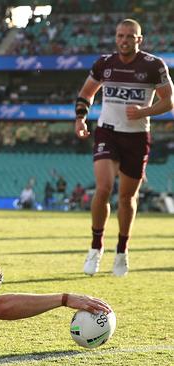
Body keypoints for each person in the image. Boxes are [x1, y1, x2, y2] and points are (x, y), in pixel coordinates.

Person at [75, 19, 173, 277]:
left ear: (139, 39)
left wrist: (145, 111)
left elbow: (169, 102)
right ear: (116, 37)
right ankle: (96, 248)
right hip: (107, 132)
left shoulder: (154, 66)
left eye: (130, 36)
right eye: (120, 35)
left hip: (137, 136)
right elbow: (86, 93)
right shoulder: (104, 63)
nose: (124, 40)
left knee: (127, 197)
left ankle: (122, 251)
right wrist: (80, 119)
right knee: (104, 187)